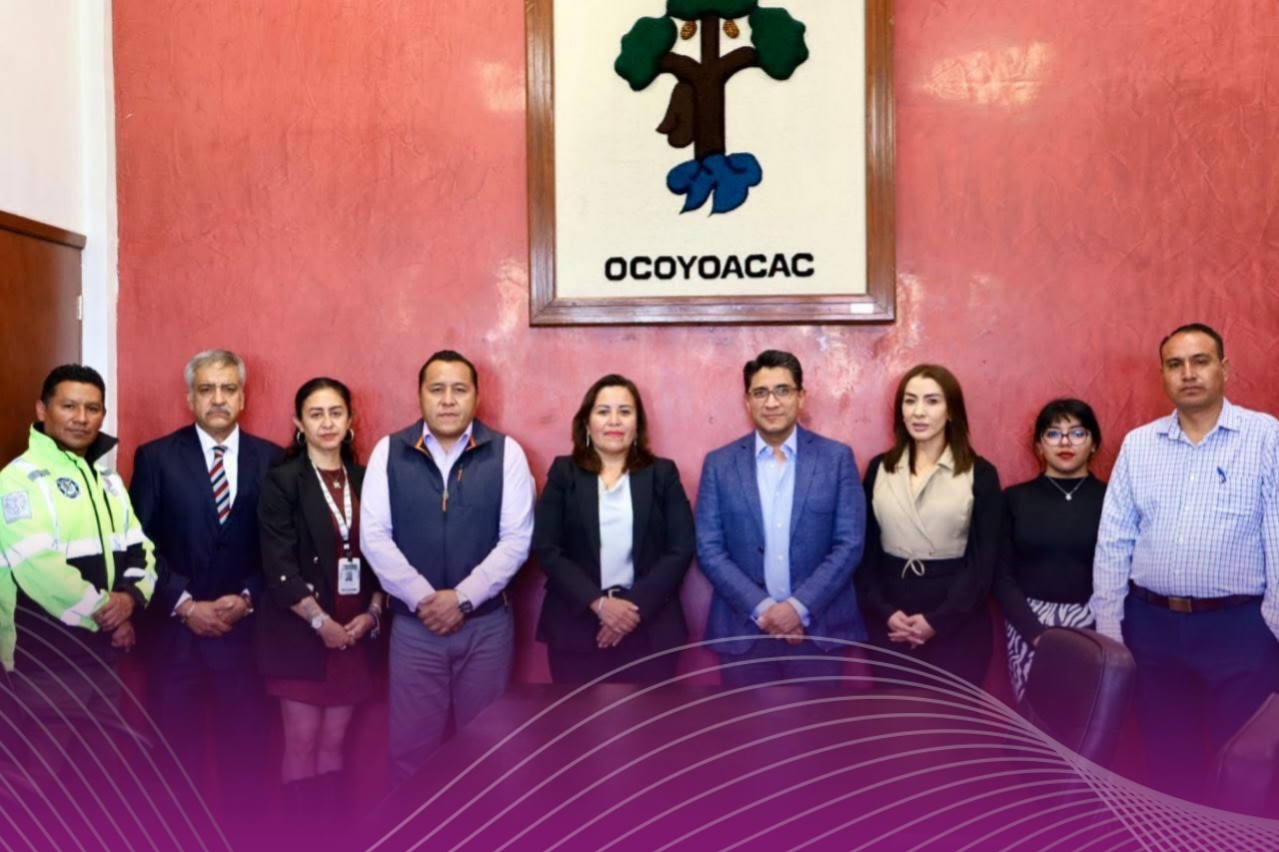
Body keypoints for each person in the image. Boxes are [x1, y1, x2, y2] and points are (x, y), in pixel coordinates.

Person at [1092, 322, 1279, 803]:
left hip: (1239, 628)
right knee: (1167, 757)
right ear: (1163, 376)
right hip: (1151, 627)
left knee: (1244, 764)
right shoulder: (1139, 444)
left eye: (1201, 361)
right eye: (1175, 364)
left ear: (1224, 369)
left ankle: (1237, 838)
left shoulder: (1266, 437)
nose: (1188, 373)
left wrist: (1271, 627)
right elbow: (1114, 539)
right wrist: (1111, 630)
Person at [361, 350, 535, 787]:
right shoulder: (389, 452)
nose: (448, 400)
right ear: (420, 395)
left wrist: (462, 598)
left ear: (477, 396)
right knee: (411, 755)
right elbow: (374, 538)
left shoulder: (506, 453)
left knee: (488, 753)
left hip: (486, 626)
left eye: (459, 389)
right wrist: (424, 599)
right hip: (414, 628)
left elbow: (516, 539)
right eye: (436, 389)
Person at [130, 349, 281, 819]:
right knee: (175, 768)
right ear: (189, 398)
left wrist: (249, 597)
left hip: (245, 641)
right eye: (206, 389)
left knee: (249, 764)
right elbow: (137, 546)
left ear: (243, 397)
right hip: (175, 642)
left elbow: (280, 547)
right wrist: (184, 605)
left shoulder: (272, 460)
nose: (218, 398)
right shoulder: (155, 458)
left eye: (228, 389)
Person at [0, 364, 156, 781]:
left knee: (96, 783)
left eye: (92, 408)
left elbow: (142, 550)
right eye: (69, 406)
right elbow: (41, 571)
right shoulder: (17, 480)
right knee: (38, 786)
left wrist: (130, 601)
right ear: (42, 410)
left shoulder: (108, 481)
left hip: (102, 660)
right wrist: (109, 617)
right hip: (43, 661)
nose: (81, 418)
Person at [696, 350, 866, 687]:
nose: (771, 402)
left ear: (801, 397)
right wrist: (763, 608)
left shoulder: (836, 459)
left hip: (816, 633)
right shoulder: (720, 464)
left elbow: (850, 544)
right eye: (760, 392)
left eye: (782, 390)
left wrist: (797, 608)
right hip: (744, 633)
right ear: (747, 401)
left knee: (819, 723)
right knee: (744, 723)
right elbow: (709, 548)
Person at [257, 377, 384, 828]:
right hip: (301, 633)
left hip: (354, 634)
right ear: (299, 422)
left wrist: (373, 614)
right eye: (316, 414)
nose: (327, 423)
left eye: (335, 413)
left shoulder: (367, 479)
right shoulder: (283, 481)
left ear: (350, 420)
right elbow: (278, 564)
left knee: (334, 742)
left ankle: (331, 837)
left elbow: (384, 557)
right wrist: (319, 623)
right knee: (302, 741)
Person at [533, 374, 695, 684]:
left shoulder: (663, 474)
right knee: (577, 714)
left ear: (637, 423)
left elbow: (681, 548)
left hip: (649, 626)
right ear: (587, 423)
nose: (614, 420)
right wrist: (599, 605)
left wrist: (631, 610)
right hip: (576, 627)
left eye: (625, 411)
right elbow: (546, 548)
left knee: (651, 716)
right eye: (603, 411)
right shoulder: (564, 473)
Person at [857, 364, 1002, 688]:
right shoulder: (880, 468)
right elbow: (865, 553)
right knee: (894, 716)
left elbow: (983, 564)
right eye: (910, 401)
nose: (919, 412)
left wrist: (939, 621)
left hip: (957, 622)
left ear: (951, 411)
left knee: (950, 717)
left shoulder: (980, 473)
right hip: (890, 622)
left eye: (932, 401)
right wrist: (884, 612)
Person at [993, 399, 1105, 702]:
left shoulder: (1112, 499)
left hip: (1096, 626)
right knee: (1034, 721)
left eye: (1077, 433)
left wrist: (1097, 627)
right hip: (1028, 625)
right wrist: (1035, 633)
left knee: (1090, 718)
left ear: (1094, 443)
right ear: (1039, 446)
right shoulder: (1014, 499)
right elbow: (1000, 575)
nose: (1065, 442)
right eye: (1053, 433)